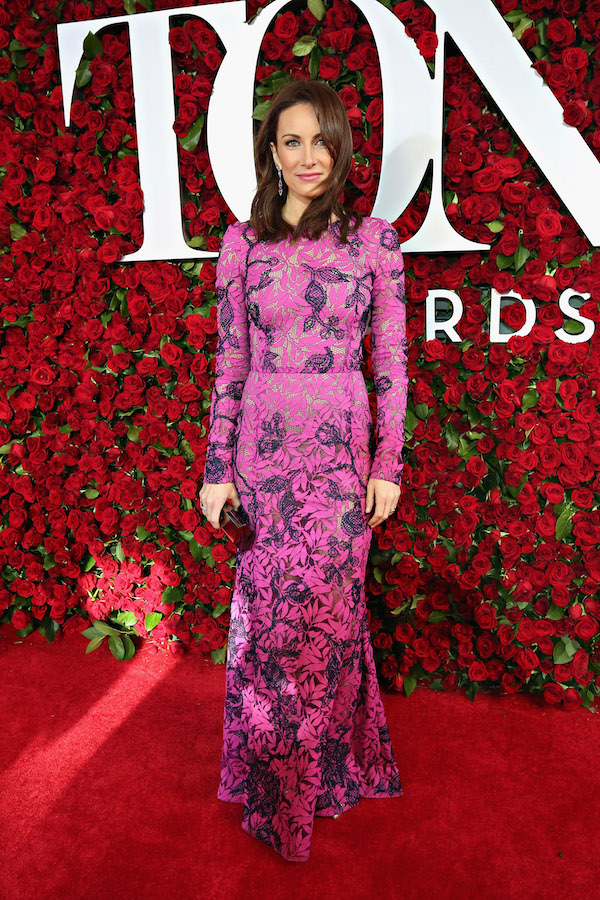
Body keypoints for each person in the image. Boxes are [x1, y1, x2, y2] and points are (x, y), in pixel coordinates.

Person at [199, 77, 408, 863]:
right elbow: (230, 361)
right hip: (262, 459)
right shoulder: (241, 244)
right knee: (270, 626)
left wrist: (387, 462)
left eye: (322, 139)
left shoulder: (372, 241)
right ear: (273, 153)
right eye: (293, 140)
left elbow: (389, 359)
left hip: (340, 462)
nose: (309, 156)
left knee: (324, 616)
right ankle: (272, 779)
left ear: (341, 147)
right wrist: (217, 469)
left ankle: (324, 775)